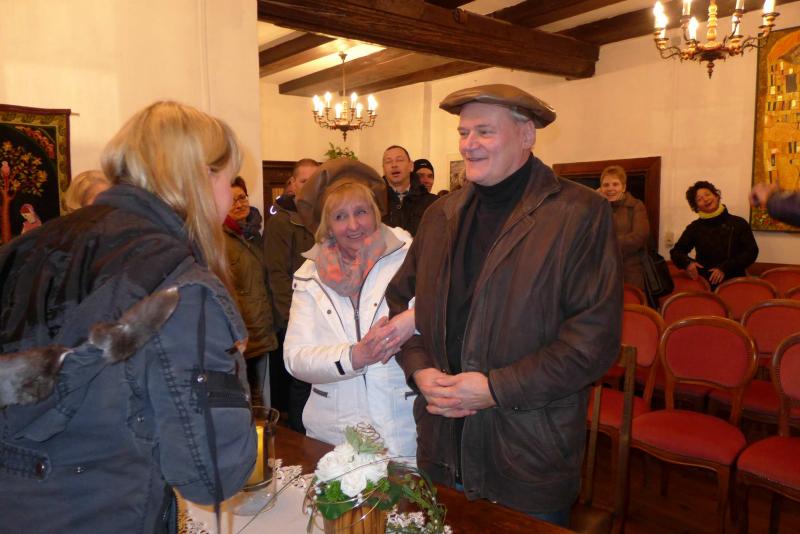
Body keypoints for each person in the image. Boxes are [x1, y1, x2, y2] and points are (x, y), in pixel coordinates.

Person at [0, 101, 256, 533]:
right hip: (103, 512)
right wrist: (229, 364)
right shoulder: (179, 284)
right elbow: (213, 472)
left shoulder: (24, 248)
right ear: (201, 177)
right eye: (229, 179)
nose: (230, 196)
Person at [386, 84, 622, 526]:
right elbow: (401, 304)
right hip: (441, 444)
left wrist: (496, 388)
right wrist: (419, 369)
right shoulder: (440, 216)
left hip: (526, 451)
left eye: (484, 132)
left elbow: (593, 343)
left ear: (527, 135)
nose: (468, 144)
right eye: (463, 132)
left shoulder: (579, 213)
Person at [283, 159, 417, 457]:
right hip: (335, 437)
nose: (354, 225)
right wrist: (354, 356)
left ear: (375, 212)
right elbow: (295, 358)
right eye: (340, 216)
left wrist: (413, 318)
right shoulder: (309, 276)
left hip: (402, 429)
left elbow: (443, 312)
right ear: (327, 225)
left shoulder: (409, 257)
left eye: (361, 212)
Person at [264, 158, 319, 431]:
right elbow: (277, 274)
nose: (309, 186)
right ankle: (300, 438)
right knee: (301, 381)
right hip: (296, 313)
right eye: (304, 180)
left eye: (314, 181)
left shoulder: (322, 216)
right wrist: (290, 318)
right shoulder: (281, 222)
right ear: (293, 184)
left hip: (320, 311)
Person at [224, 177, 278, 406]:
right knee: (245, 400)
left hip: (262, 329)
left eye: (242, 198)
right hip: (241, 334)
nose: (239, 204)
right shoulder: (220, 239)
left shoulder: (255, 235)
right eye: (232, 200)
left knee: (259, 397)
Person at [670, 180, 758, 286]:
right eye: (699, 199)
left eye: (707, 194)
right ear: (696, 206)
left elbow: (751, 251)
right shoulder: (695, 227)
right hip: (705, 283)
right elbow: (676, 252)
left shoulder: (738, 223)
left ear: (716, 196)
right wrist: (688, 263)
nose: (705, 199)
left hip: (735, 282)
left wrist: (725, 268)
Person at [598, 165, 649, 290]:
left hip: (629, 273)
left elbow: (639, 237)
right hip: (601, 273)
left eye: (615, 184)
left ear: (624, 187)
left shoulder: (636, 206)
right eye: (606, 185)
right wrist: (594, 197)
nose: (610, 188)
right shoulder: (596, 208)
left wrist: (607, 245)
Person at [381, 145, 436, 236]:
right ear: (383, 168)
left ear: (411, 166)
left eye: (399, 160)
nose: (394, 165)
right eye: (388, 161)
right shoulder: (373, 202)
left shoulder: (433, 203)